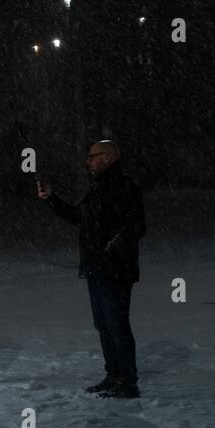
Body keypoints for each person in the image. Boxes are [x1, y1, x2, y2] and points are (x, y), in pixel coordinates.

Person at [37, 140, 145, 398]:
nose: (88, 161)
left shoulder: (125, 187)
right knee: (104, 324)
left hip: (115, 269)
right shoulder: (97, 189)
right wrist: (52, 198)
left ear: (107, 158)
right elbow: (78, 217)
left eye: (92, 156)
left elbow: (136, 227)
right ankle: (114, 374)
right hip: (97, 268)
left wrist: (110, 250)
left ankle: (128, 381)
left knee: (117, 324)